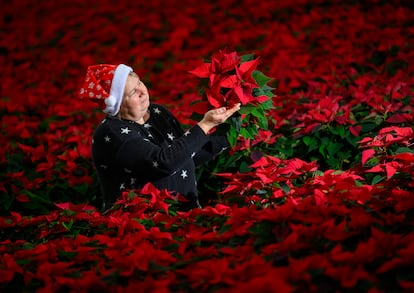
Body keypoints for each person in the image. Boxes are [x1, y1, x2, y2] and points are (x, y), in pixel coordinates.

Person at [79, 63, 240, 212]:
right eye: (133, 92)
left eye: (139, 83)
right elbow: (164, 162)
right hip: (148, 224)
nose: (143, 91)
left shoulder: (157, 112)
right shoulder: (111, 133)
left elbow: (185, 155)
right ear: (116, 105)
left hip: (187, 217)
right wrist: (205, 125)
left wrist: (232, 132)